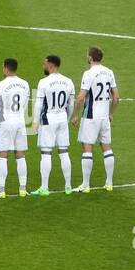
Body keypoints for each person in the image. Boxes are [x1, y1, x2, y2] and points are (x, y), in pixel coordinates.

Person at [71, 45, 119, 192]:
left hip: (91, 116)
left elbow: (80, 97)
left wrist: (75, 114)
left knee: (87, 147)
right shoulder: (109, 72)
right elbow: (116, 97)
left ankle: (86, 185)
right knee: (106, 147)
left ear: (90, 57)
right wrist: (111, 113)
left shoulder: (89, 73)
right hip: (104, 116)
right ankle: (109, 183)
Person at [32, 55, 76, 195]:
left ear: (51, 65)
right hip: (62, 118)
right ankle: (68, 186)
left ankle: (44, 188)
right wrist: (67, 118)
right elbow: (71, 105)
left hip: (48, 119)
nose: (43, 66)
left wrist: (35, 122)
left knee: (46, 153)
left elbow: (39, 104)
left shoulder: (44, 82)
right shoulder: (68, 81)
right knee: (64, 152)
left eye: (44, 64)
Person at [0, 58, 31, 197]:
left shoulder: (0, 85)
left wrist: (0, 119)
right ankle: (23, 189)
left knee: (2, 155)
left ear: (6, 68)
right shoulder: (25, 84)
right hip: (20, 121)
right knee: (20, 155)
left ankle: (1, 190)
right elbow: (25, 105)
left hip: (5, 121)